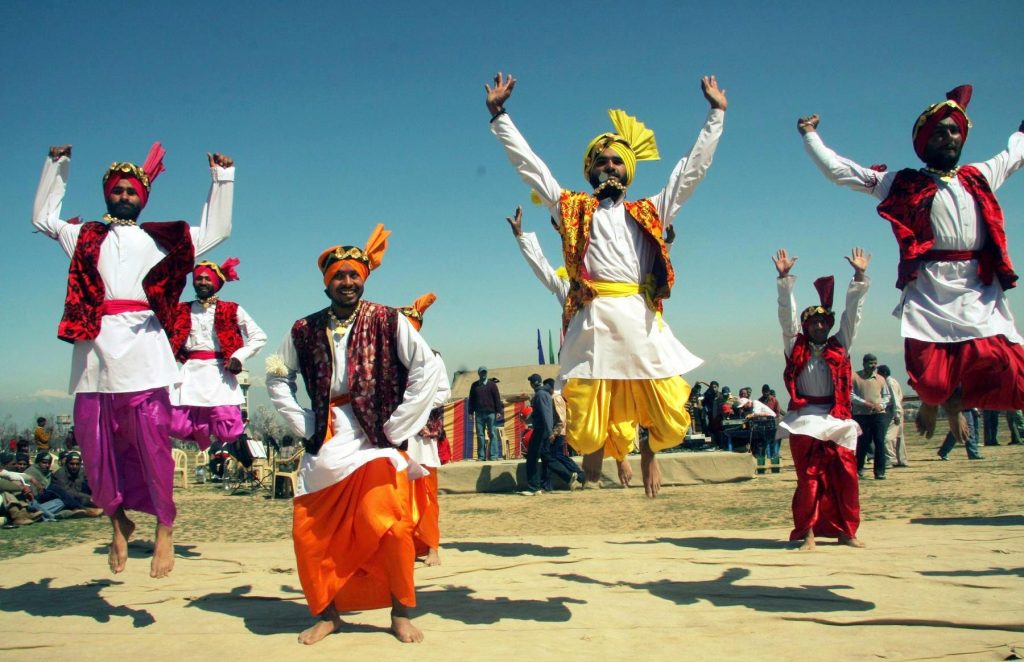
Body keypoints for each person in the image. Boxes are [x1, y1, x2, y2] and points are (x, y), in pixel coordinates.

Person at [486, 72, 727, 497]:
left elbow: (691, 172)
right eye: (601, 162)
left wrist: (716, 115)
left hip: (639, 319)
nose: (610, 168)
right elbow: (531, 168)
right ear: (590, 170)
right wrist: (500, 115)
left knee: (672, 414)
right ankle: (606, 458)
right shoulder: (571, 209)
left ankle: (649, 450)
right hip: (594, 322)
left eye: (617, 162)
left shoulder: (650, 211)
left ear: (628, 171)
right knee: (583, 428)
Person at [33, 141, 235, 578]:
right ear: (107, 193)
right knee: (95, 448)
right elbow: (42, 219)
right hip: (93, 353)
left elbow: (215, 233)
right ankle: (117, 521)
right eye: (118, 190)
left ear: (143, 199)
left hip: (144, 350)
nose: (124, 197)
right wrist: (57, 164)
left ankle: (165, 527)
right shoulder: (84, 235)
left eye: (132, 192)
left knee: (152, 446)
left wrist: (222, 180)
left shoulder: (158, 240)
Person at [797, 85, 1024, 445]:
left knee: (1009, 371)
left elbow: (1016, 153)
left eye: (954, 130)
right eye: (939, 131)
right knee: (931, 382)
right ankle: (937, 402)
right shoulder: (901, 184)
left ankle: (954, 404)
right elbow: (843, 172)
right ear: (924, 140)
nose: (948, 137)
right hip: (930, 288)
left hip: (978, 288)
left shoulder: (979, 176)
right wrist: (811, 136)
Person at [266, 225, 442, 645]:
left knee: (393, 527)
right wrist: (302, 423)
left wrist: (400, 424)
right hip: (326, 441)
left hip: (374, 440)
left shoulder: (388, 319)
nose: (347, 282)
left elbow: (427, 369)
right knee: (310, 532)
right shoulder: (303, 329)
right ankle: (327, 614)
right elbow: (276, 376)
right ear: (327, 282)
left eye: (354, 275)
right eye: (339, 276)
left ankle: (401, 611)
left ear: (364, 278)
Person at [505, 206, 632, 486]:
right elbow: (544, 271)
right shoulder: (568, 290)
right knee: (584, 417)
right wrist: (522, 237)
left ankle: (621, 457)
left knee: (615, 407)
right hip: (579, 361)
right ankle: (590, 471)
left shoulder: (610, 276)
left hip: (610, 353)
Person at [773, 247, 870, 551]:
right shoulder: (795, 348)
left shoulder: (840, 346)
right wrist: (784, 280)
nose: (818, 326)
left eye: (823, 322)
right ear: (806, 326)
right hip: (804, 420)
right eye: (813, 323)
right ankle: (808, 533)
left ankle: (847, 531)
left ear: (828, 326)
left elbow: (852, 315)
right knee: (809, 479)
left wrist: (859, 276)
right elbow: (787, 318)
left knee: (846, 477)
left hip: (836, 417)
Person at [170, 257, 267, 449]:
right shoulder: (181, 309)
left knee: (229, 430)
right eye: (199, 278)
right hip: (191, 373)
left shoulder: (232, 309)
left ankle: (215, 441)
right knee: (178, 426)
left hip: (220, 373)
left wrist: (239, 356)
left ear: (216, 282)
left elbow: (259, 336)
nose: (203, 282)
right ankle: (204, 436)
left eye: (207, 278)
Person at [398, 293, 452, 568]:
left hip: (422, 439)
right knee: (398, 496)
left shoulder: (433, 358)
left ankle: (431, 547)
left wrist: (416, 406)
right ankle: (403, 547)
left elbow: (443, 392)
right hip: (395, 437)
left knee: (427, 495)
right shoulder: (388, 360)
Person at [852, 354, 890, 480]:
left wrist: (880, 405)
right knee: (862, 443)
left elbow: (887, 396)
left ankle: (880, 471)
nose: (873, 366)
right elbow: (850, 395)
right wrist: (866, 404)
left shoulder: (880, 379)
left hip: (878, 415)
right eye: (870, 363)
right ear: (863, 363)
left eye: (874, 363)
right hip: (861, 415)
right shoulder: (855, 377)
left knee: (879, 442)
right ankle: (859, 468)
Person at [544, 378, 586, 490]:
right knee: (555, 457)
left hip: (558, 433)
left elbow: (561, 419)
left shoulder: (555, 399)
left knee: (555, 457)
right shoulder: (555, 398)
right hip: (558, 432)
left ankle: (578, 475)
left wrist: (554, 433)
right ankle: (548, 484)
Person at [521, 373, 555, 495]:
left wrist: (549, 431)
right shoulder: (545, 394)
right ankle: (546, 486)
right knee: (545, 458)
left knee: (531, 458)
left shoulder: (539, 395)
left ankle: (533, 487)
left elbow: (545, 414)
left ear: (532, 383)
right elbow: (540, 413)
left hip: (541, 430)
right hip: (545, 429)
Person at [876, 365, 908, 467]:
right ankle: (902, 460)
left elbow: (895, 399)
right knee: (899, 437)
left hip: (893, 411)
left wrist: (896, 414)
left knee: (887, 437)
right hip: (896, 410)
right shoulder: (894, 381)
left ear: (883, 374)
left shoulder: (889, 383)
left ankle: (890, 459)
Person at [468, 367, 502, 461]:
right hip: (479, 413)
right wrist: (470, 412)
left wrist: (499, 411)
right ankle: (481, 456)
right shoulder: (474, 385)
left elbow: (497, 398)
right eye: (482, 373)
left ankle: (493, 456)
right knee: (480, 435)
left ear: (486, 373)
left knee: (492, 434)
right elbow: (471, 399)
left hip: (491, 413)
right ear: (478, 374)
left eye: (485, 372)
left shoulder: (492, 385)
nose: (483, 374)